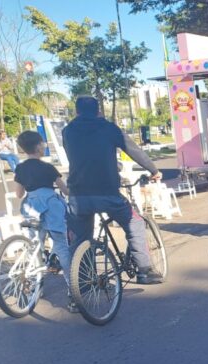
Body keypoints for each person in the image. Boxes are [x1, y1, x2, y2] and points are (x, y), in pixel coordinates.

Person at [62, 95, 164, 285]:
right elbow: (133, 150)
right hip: (107, 192)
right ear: (99, 111)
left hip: (78, 195)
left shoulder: (68, 131)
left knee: (80, 241)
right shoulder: (109, 128)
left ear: (76, 111)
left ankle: (82, 288)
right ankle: (144, 271)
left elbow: (75, 155)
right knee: (135, 223)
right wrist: (154, 170)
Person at [13, 130, 75, 311]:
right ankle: (73, 291)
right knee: (62, 246)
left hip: (31, 207)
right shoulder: (48, 168)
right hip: (52, 206)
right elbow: (65, 190)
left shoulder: (21, 168)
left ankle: (36, 286)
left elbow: (18, 194)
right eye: (43, 144)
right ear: (39, 146)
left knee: (35, 246)